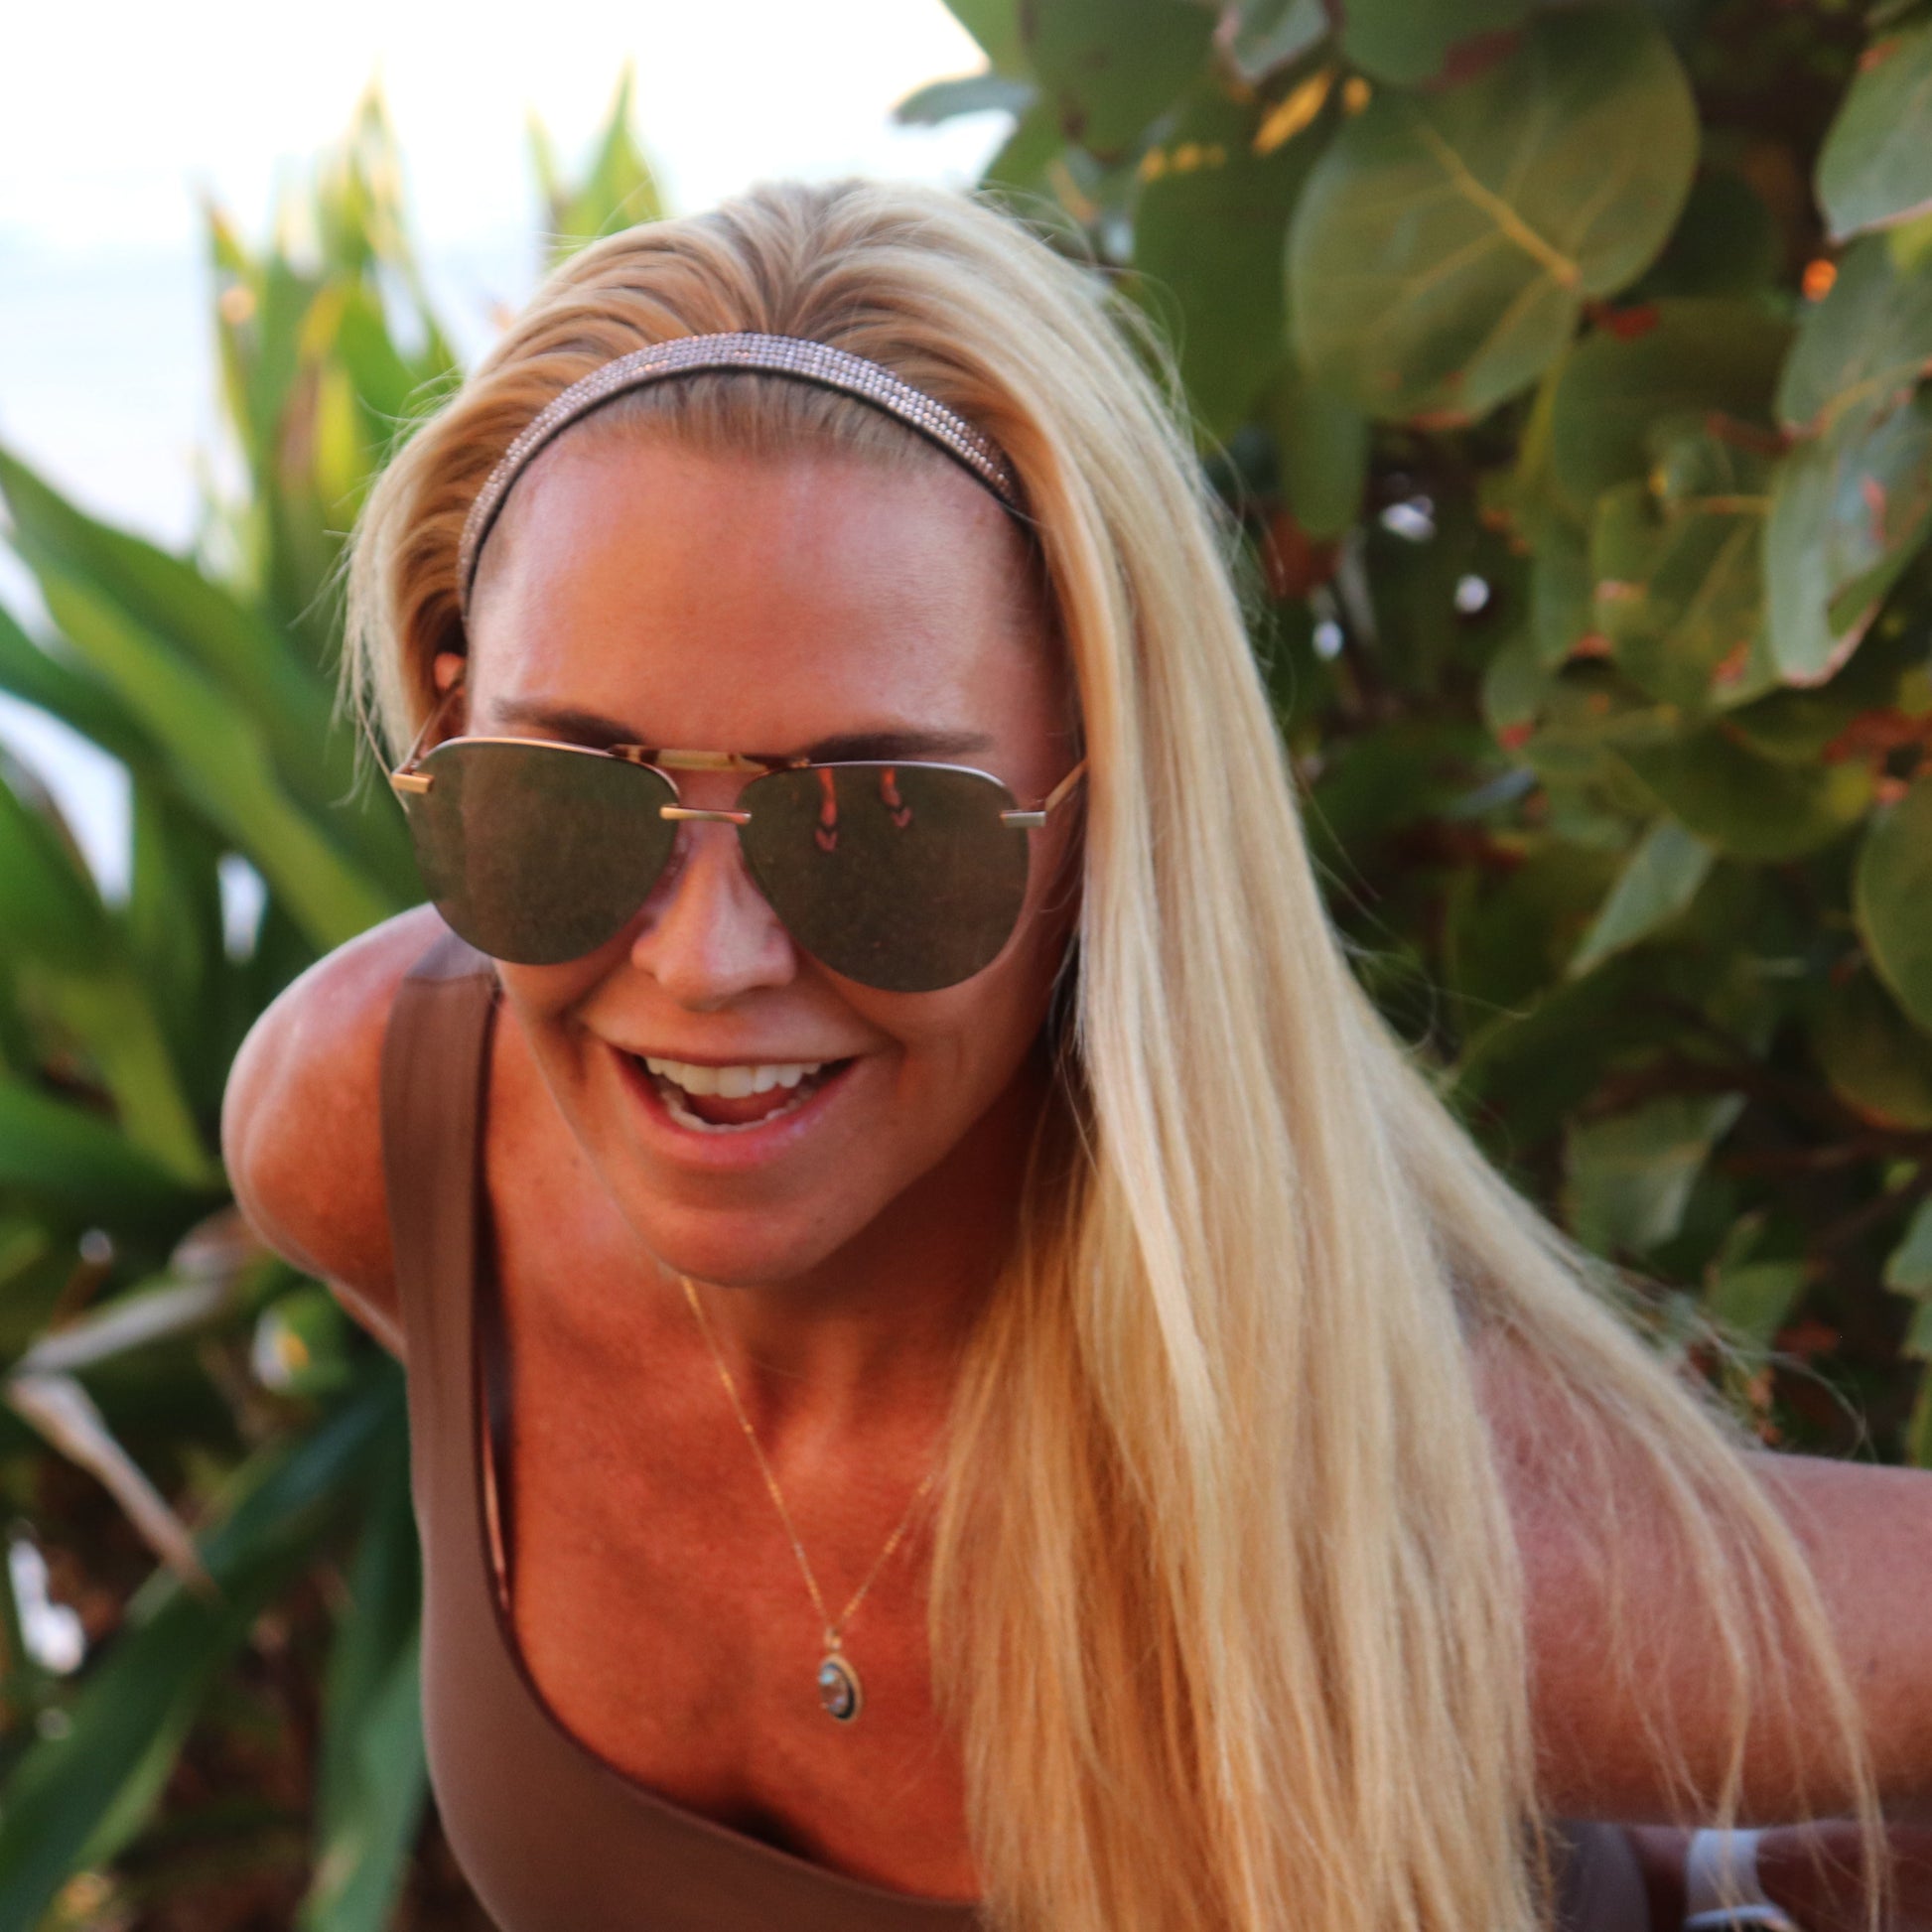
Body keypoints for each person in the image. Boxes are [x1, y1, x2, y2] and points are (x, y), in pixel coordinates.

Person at [222, 181, 1932, 1931]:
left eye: (883, 819)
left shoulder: (1357, 1505)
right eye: (572, 793)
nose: (704, 960)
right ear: (450, 714)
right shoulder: (371, 1126)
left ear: (1101, 815)